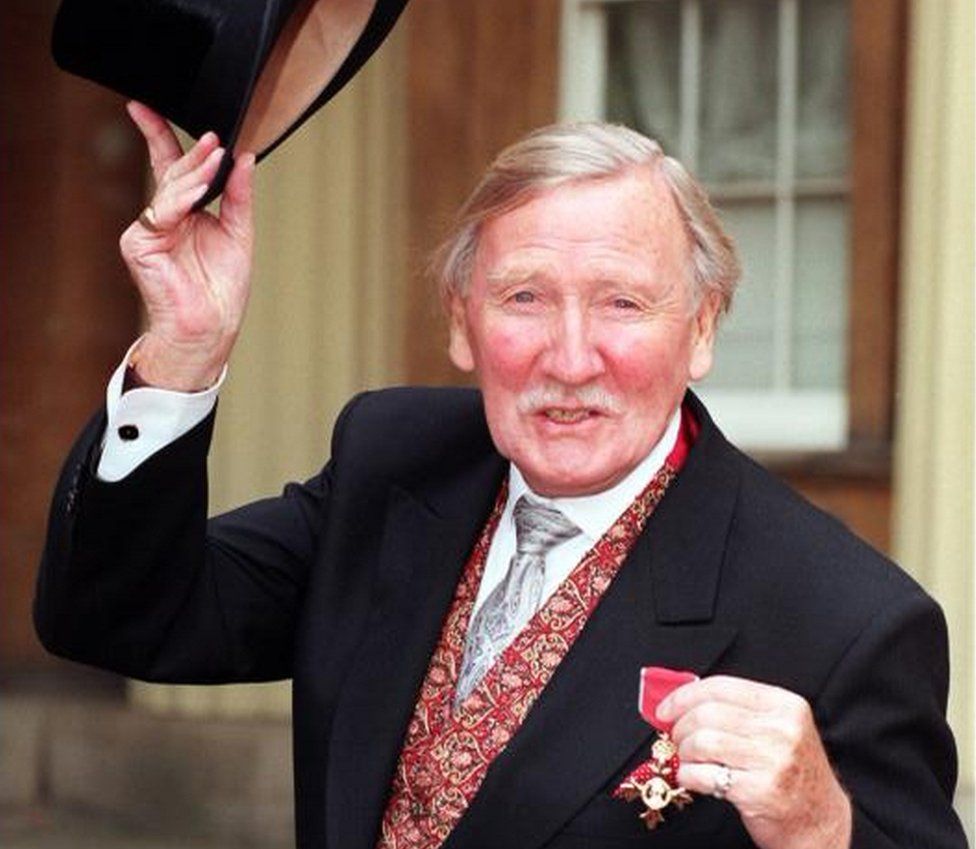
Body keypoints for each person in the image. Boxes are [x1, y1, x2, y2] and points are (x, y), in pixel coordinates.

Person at [35, 103, 966, 849]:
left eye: (622, 303)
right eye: (524, 297)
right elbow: (120, 615)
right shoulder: (392, 465)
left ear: (704, 327)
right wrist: (181, 351)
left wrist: (821, 828)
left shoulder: (845, 619)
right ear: (461, 321)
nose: (569, 357)